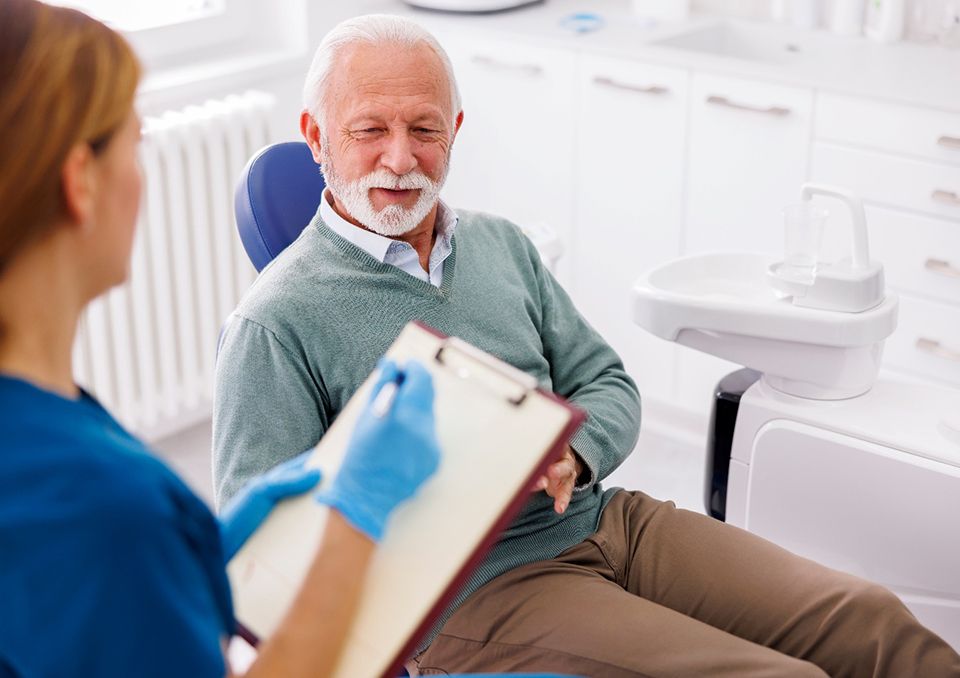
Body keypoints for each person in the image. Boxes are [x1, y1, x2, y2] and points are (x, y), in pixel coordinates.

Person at [212, 12, 960, 677]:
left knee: (872, 621)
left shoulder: (500, 247)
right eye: (370, 129)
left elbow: (607, 382)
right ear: (315, 136)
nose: (402, 159)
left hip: (608, 522)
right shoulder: (275, 322)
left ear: (457, 131)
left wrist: (574, 454)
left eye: (425, 129)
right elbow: (267, 567)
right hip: (478, 595)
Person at [0, 2, 443, 676]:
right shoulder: (100, 507)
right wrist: (360, 512)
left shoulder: (42, 427)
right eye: (135, 143)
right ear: (79, 182)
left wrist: (199, 546)